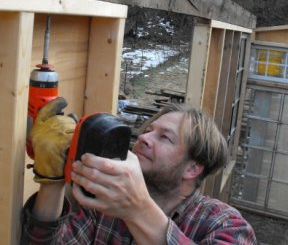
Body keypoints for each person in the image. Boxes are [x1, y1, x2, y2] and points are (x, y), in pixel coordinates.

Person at [21, 97, 257, 244]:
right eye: (148, 130)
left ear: (193, 168)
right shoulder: (103, 207)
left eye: (164, 137)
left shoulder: (226, 224)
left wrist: (137, 209)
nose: (144, 137)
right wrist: (52, 180)